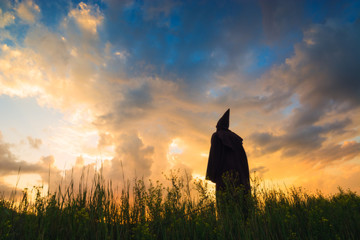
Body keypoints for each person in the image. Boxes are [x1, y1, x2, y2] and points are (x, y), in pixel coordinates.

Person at [206, 109, 250, 217]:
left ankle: (227, 230)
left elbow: (214, 158)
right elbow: (244, 163)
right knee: (241, 208)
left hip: (224, 178)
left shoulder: (216, 136)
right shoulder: (236, 140)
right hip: (239, 179)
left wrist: (212, 176)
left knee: (225, 210)